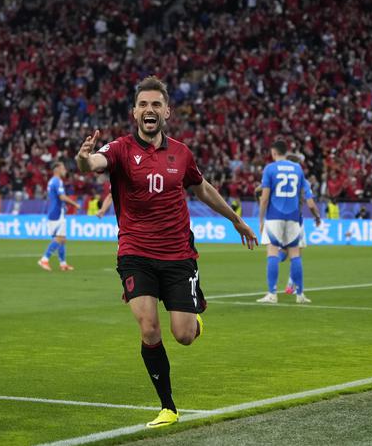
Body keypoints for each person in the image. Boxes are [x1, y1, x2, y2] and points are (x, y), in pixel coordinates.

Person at [75, 76, 257, 429]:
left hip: (177, 255)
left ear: (167, 111)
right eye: (143, 104)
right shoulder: (120, 150)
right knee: (148, 328)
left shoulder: (181, 153)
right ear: (133, 112)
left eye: (156, 104)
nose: (149, 110)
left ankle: (194, 318)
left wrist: (236, 220)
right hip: (135, 252)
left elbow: (202, 189)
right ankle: (168, 407)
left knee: (184, 335)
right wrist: (83, 160)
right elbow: (93, 164)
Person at [257, 142, 321, 305]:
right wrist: (317, 217)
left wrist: (261, 219)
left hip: (274, 215)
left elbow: (264, 198)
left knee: (272, 252)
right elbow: (309, 201)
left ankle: (272, 294)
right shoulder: (298, 170)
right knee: (295, 254)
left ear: (273, 152)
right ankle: (300, 295)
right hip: (294, 217)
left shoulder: (270, 168)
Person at [38, 162, 81, 272]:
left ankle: (63, 264)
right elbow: (62, 196)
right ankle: (44, 259)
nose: (65, 170)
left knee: (62, 239)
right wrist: (75, 204)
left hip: (53, 211)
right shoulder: (57, 181)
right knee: (60, 238)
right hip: (57, 213)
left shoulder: (52, 181)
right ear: (57, 169)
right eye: (63, 168)